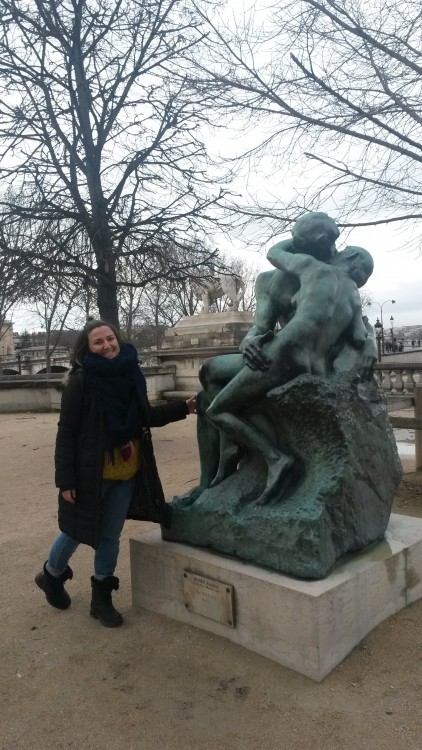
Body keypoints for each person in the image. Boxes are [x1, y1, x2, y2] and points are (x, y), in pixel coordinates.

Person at [195, 212, 376, 493]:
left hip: (283, 356)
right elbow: (260, 327)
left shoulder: (313, 269)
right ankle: (214, 475)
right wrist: (248, 341)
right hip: (307, 363)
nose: (333, 249)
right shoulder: (287, 281)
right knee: (209, 386)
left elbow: (275, 252)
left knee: (214, 397)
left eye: (335, 241)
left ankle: (271, 458)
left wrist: (372, 343)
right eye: (326, 240)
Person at [35, 320, 196, 627]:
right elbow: (66, 433)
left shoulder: (131, 374)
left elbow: (144, 417)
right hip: (90, 474)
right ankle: (52, 575)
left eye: (110, 339)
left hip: (127, 470)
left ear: (118, 341)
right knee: (77, 530)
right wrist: (65, 480)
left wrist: (183, 409)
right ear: (87, 348)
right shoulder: (81, 382)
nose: (107, 345)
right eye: (98, 342)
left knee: (110, 535)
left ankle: (102, 597)